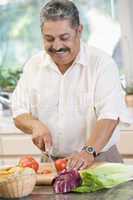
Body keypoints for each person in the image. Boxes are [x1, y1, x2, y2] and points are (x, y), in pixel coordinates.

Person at [11, 0, 131, 170]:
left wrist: (88, 151)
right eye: (49, 39)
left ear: (79, 31)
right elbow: (18, 111)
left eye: (64, 38)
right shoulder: (33, 65)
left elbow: (109, 116)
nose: (57, 46)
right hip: (52, 164)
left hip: (99, 159)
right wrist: (34, 125)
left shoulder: (101, 64)